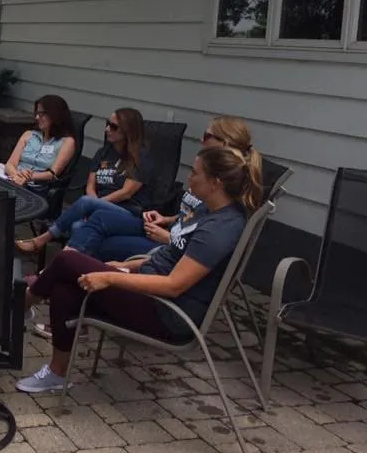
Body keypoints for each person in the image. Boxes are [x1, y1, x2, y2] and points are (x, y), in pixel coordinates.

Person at [15, 145, 262, 394]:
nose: (189, 177)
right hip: (149, 286)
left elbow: (174, 285)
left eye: (195, 173)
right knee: (65, 288)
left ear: (215, 182)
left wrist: (109, 278)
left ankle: (23, 303)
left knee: (67, 261)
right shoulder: (208, 210)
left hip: (167, 313)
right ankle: (57, 374)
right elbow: (167, 256)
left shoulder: (219, 229)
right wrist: (124, 266)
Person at [92, 116, 262, 261]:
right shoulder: (207, 172)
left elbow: (205, 236)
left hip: (173, 250)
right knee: (100, 223)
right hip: (169, 233)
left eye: (207, 136)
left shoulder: (223, 188)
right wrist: (166, 220)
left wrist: (168, 238)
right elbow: (192, 215)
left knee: (105, 245)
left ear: (223, 142)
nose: (201, 140)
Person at [16, 107, 152, 257]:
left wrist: (92, 205)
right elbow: (90, 186)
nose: (107, 129)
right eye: (107, 124)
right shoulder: (103, 152)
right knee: (78, 226)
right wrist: (93, 205)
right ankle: (76, 269)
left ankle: (41, 241)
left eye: (113, 127)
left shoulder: (141, 157)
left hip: (128, 213)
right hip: (100, 209)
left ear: (128, 131)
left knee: (86, 202)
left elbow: (126, 193)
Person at [0, 95, 77, 190]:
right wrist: (16, 176)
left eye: (41, 114)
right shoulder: (28, 135)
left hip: (35, 185)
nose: (36, 117)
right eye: (36, 113)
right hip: (12, 178)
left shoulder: (67, 142)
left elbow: (52, 174)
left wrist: (29, 177)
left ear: (55, 115)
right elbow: (10, 164)